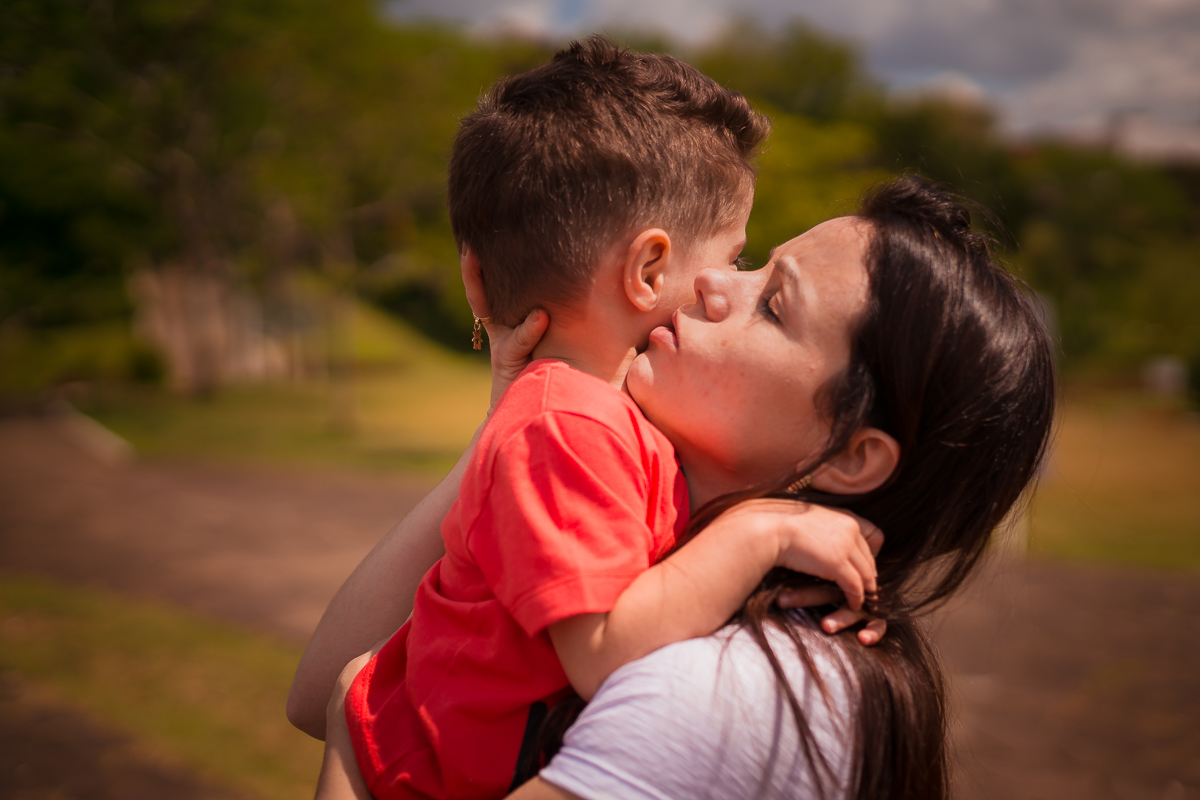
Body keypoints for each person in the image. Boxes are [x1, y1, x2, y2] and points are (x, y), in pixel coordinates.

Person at [317, 175, 1057, 800]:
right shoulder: (661, 553)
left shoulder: (730, 687)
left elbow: (350, 706)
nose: (710, 283)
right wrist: (511, 430)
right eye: (757, 262)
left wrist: (355, 727)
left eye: (772, 305)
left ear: (851, 457)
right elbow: (323, 693)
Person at [300, 37, 888, 800]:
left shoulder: (591, 427)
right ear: (648, 270)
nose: (722, 289)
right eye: (736, 258)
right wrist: (759, 531)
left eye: (767, 296)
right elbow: (602, 653)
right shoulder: (569, 428)